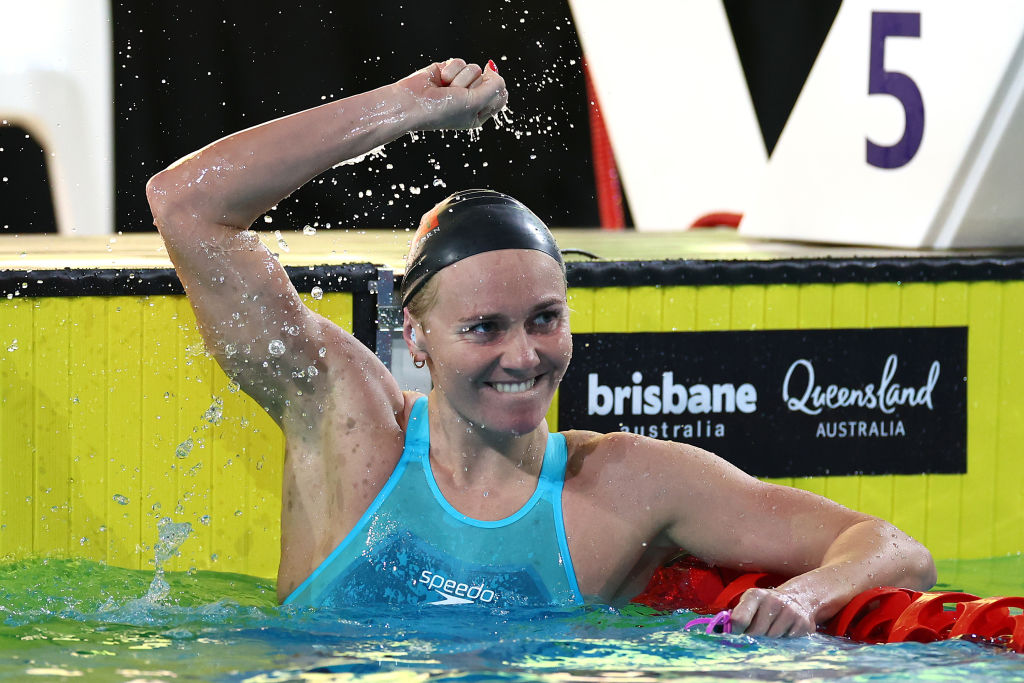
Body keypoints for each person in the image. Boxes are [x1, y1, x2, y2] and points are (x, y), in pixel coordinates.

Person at [146, 58, 935, 636]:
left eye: (545, 318)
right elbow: (186, 204)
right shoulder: (348, 425)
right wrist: (402, 109)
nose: (524, 355)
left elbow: (892, 549)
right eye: (484, 327)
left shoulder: (624, 483)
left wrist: (807, 595)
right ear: (415, 337)